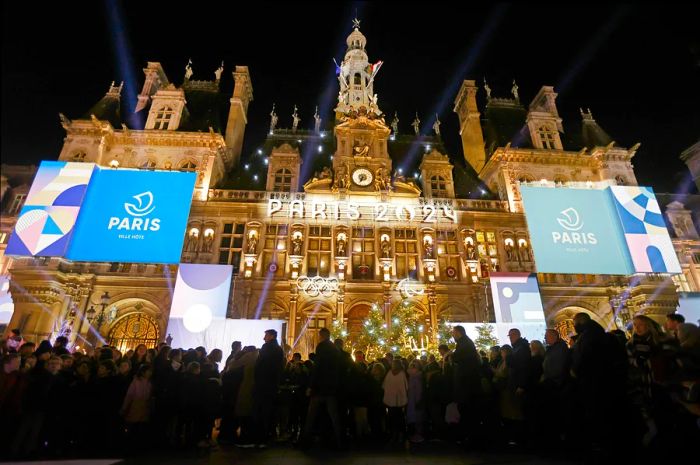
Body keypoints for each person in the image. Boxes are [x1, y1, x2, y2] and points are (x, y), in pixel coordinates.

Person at [299, 327, 343, 449]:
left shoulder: (321, 347)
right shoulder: (334, 348)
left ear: (322, 335)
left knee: (311, 415)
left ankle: (305, 440)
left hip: (320, 388)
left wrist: (311, 386)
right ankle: (340, 441)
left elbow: (317, 367)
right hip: (332, 387)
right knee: (334, 416)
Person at [253, 329, 285, 447]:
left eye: (265, 335)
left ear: (271, 336)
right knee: (270, 412)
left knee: (261, 412)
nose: (264, 338)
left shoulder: (267, 348)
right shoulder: (279, 349)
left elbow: (259, 365)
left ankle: (261, 438)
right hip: (272, 385)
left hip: (263, 384)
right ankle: (269, 436)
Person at [450, 325, 482, 444]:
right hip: (467, 385)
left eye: (453, 333)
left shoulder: (464, 343)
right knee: (467, 412)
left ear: (458, 333)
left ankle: (470, 439)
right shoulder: (465, 343)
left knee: (468, 413)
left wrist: (452, 355)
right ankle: (470, 438)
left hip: (467, 386)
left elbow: (459, 358)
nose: (452, 335)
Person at [383, 359, 408, 444]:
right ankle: (393, 434)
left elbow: (404, 387)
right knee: (391, 418)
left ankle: (401, 435)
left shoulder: (402, 374)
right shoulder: (389, 373)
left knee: (399, 418)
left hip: (399, 400)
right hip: (390, 400)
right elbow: (386, 385)